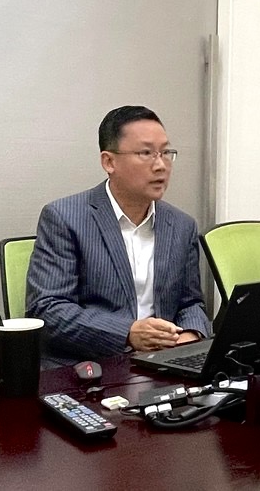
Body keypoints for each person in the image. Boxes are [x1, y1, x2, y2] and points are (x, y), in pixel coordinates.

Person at [27, 106, 210, 367]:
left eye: (165, 153)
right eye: (146, 153)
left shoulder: (182, 225)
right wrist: (127, 333)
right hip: (92, 366)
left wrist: (190, 336)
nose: (161, 165)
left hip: (164, 363)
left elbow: (190, 303)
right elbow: (47, 309)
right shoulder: (65, 217)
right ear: (109, 162)